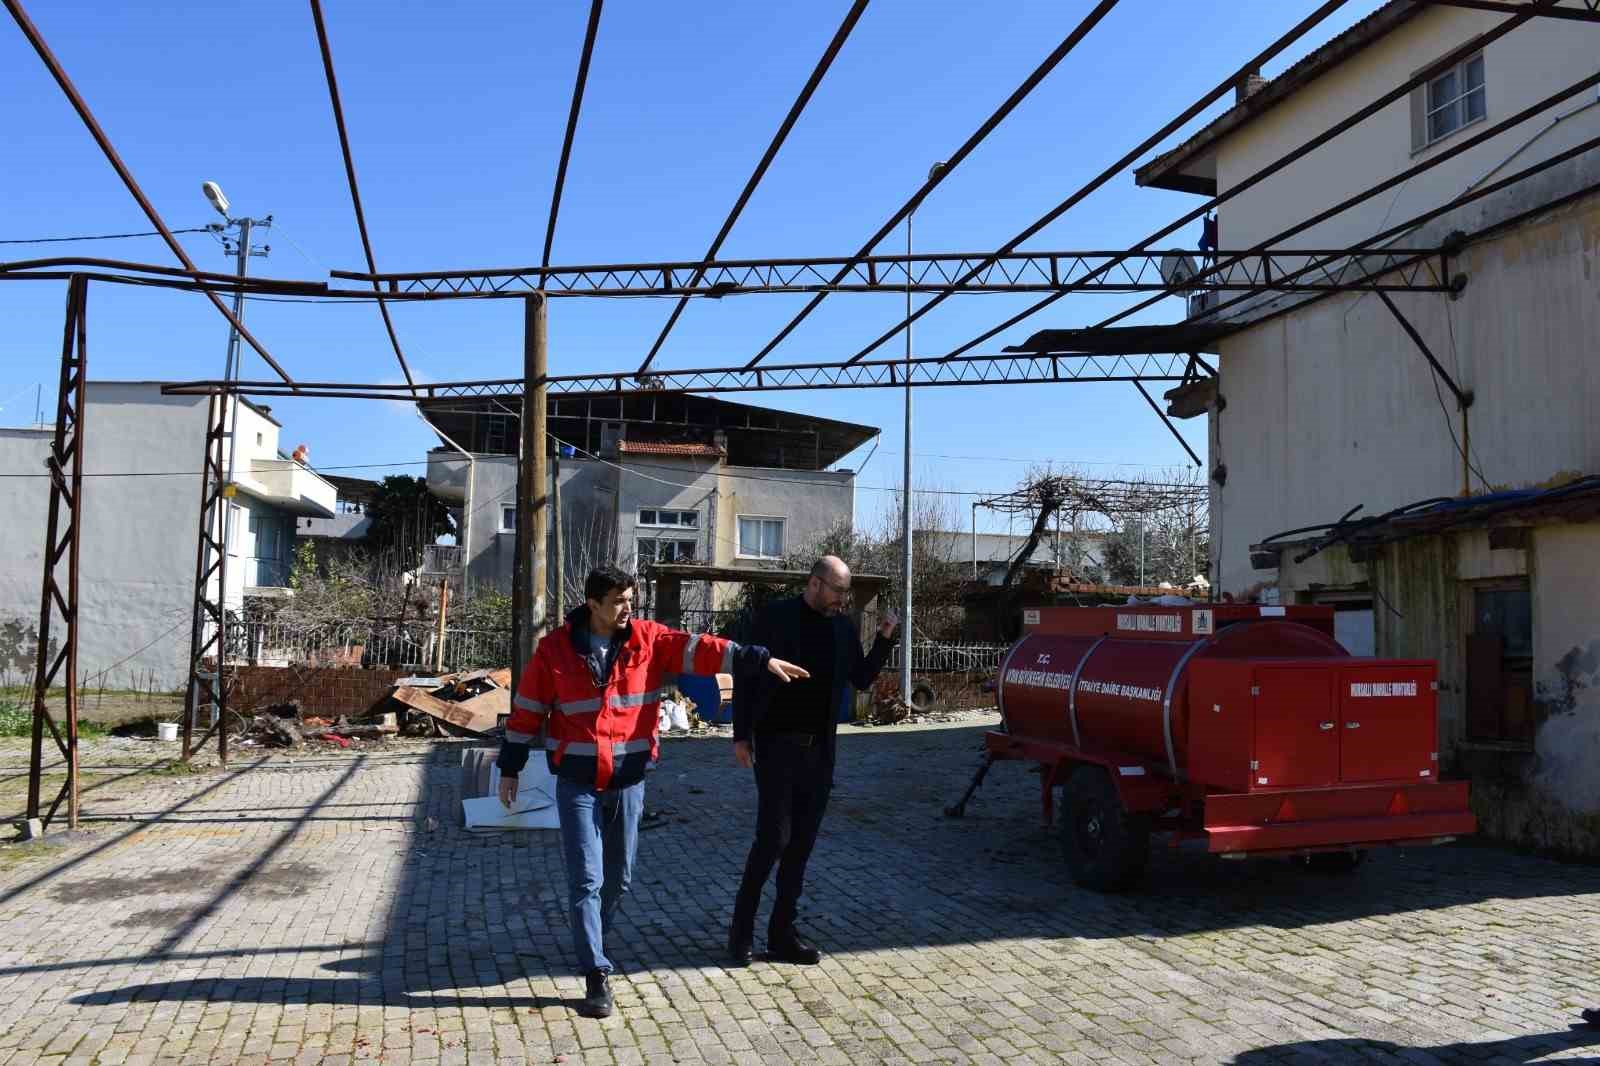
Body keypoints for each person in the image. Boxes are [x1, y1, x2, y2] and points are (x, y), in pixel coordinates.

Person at [497, 566, 808, 1018]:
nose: (628, 608)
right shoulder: (555, 650)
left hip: (628, 782)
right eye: (618, 601)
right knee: (586, 879)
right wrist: (510, 768)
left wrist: (756, 659)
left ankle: (594, 937)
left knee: (619, 878)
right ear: (593, 604)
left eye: (631, 599)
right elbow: (526, 711)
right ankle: (595, 971)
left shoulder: (648, 640)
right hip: (578, 783)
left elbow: (700, 648)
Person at [727, 555, 898, 966]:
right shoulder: (775, 617)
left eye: (846, 593)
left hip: (820, 751)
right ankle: (740, 934)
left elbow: (860, 678)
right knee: (773, 840)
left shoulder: (842, 627)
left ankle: (783, 934)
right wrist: (741, 734)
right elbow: (746, 675)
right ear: (815, 583)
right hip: (776, 745)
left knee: (801, 845)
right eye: (838, 591)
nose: (843, 600)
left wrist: (884, 640)